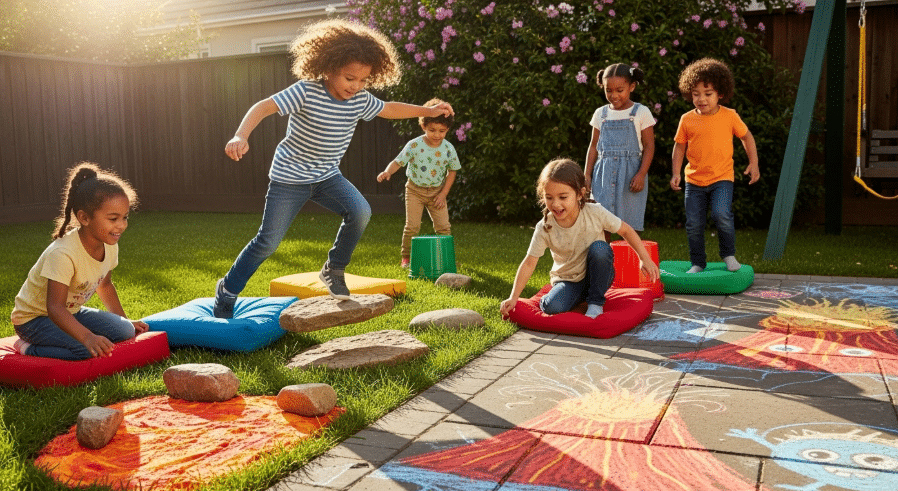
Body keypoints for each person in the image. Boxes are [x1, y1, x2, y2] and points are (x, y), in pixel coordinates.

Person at [214, 19, 454, 317]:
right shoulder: (306, 91)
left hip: (327, 176)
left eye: (364, 80)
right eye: (349, 78)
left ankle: (334, 268)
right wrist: (241, 134)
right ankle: (227, 289)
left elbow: (390, 109)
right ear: (328, 67)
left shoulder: (359, 100)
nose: (356, 87)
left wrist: (428, 111)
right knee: (268, 241)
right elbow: (264, 106)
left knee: (361, 211)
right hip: (289, 178)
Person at [10, 163, 148, 360]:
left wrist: (124, 320)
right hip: (34, 320)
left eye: (124, 217)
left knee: (125, 331)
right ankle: (26, 347)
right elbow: (55, 308)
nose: (121, 226)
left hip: (70, 312)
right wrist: (88, 337)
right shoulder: (63, 253)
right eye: (113, 218)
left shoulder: (109, 244)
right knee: (86, 349)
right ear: (84, 217)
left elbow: (105, 285)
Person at [500, 159, 660, 320]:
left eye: (563, 197)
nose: (555, 204)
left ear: (580, 194)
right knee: (552, 307)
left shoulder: (594, 212)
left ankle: (595, 302)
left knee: (600, 249)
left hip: (599, 274)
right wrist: (513, 297)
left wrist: (644, 258)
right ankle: (581, 296)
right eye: (549, 197)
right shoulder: (545, 226)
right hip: (568, 280)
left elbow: (625, 230)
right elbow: (529, 262)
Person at [669, 58, 759, 274]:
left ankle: (728, 255)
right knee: (694, 224)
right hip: (694, 181)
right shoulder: (687, 119)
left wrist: (753, 163)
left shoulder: (729, 116)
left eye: (707, 93)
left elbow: (747, 137)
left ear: (720, 93)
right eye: (696, 94)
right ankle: (698, 262)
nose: (701, 99)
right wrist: (675, 173)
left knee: (721, 215)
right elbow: (679, 147)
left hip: (722, 178)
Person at [376, 97, 460, 268]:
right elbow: (398, 161)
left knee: (444, 227)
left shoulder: (448, 148)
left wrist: (443, 194)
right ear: (423, 126)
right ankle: (406, 258)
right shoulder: (415, 145)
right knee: (412, 227)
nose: (437, 135)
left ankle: (447, 258)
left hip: (437, 192)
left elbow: (453, 171)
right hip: (414, 191)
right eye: (432, 130)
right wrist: (387, 171)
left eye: (442, 131)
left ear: (448, 129)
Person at [583, 63, 656, 242]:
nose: (614, 95)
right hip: (603, 176)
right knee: (602, 223)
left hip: (630, 176)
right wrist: (586, 174)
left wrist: (641, 174)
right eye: (608, 90)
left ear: (631, 87)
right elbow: (593, 146)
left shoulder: (641, 112)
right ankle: (605, 265)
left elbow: (649, 146)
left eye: (619, 90)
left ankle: (631, 264)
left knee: (630, 225)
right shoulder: (601, 114)